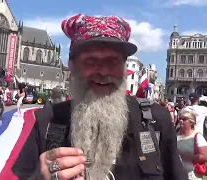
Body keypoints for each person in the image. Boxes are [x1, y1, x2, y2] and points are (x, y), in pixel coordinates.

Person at [12, 14, 187, 180]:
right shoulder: (48, 120)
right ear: (71, 66)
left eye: (112, 61)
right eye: (90, 61)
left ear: (125, 69)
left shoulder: (155, 121)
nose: (103, 71)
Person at [177, 110, 207, 179]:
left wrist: (184, 156)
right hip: (178, 173)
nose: (181, 121)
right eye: (180, 118)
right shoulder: (176, 134)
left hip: (193, 175)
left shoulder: (197, 136)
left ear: (191, 122)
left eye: (184, 119)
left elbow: (205, 156)